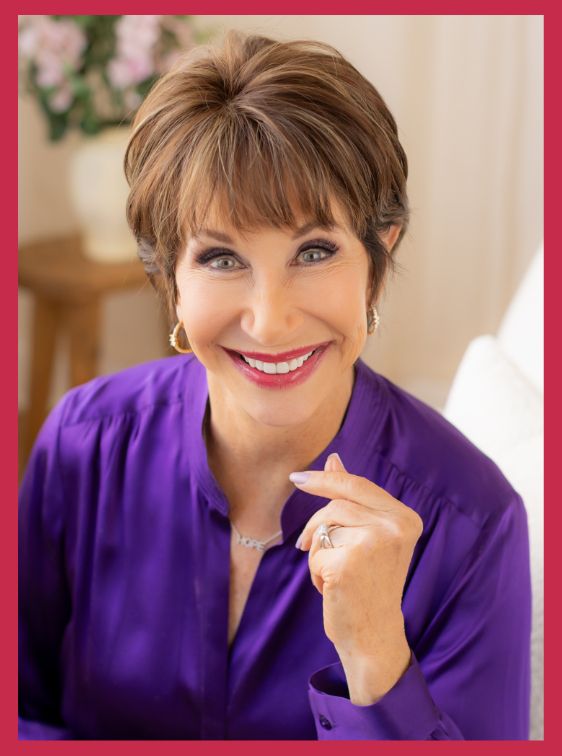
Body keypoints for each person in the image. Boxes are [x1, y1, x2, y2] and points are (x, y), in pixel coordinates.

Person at [18, 31, 531, 740]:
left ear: (379, 256)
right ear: (170, 276)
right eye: (221, 258)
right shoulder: (83, 446)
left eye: (314, 252)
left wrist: (376, 655)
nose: (270, 321)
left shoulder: (473, 525)